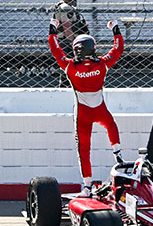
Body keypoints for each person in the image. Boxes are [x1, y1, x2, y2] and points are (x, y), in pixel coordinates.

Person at [48, 17, 124, 197]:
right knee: (111, 126)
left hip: (82, 114)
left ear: (76, 51)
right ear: (93, 48)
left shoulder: (69, 67)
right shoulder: (103, 64)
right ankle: (118, 157)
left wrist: (53, 28)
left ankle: (87, 187)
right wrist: (115, 28)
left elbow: (55, 49)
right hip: (100, 110)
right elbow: (118, 49)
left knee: (83, 149)